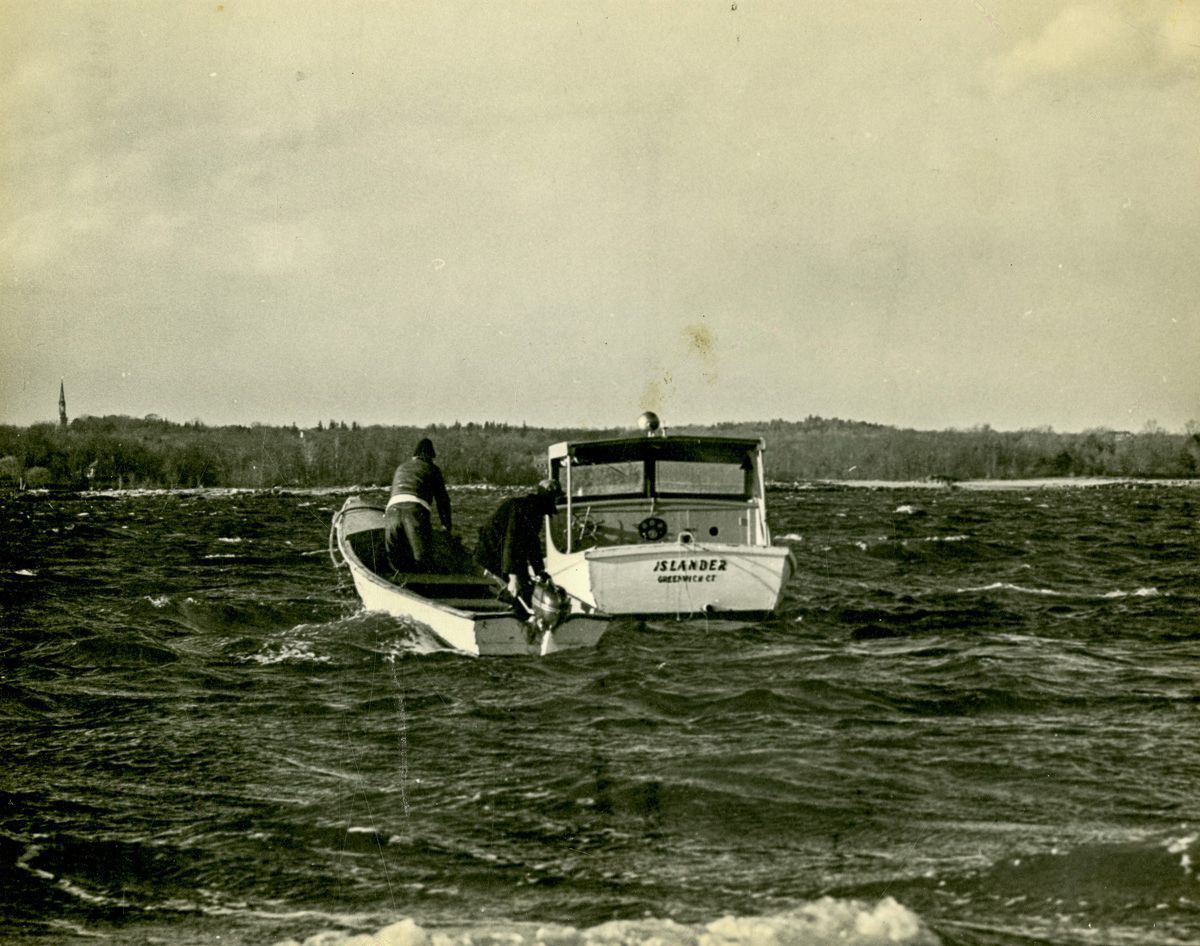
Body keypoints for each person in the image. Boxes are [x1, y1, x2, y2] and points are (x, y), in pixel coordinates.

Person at [474, 479, 563, 606]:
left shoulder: (535, 512)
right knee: (519, 593)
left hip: (507, 557)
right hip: (491, 556)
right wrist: (513, 578)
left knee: (527, 589)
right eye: (555, 499)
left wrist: (540, 571)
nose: (556, 503)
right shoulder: (521, 509)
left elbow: (533, 545)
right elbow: (510, 542)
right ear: (549, 499)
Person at [385, 437, 452, 571]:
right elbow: (443, 500)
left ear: (414, 455)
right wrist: (446, 526)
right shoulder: (432, 469)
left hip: (392, 510)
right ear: (431, 456)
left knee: (394, 558)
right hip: (415, 511)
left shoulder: (401, 467)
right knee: (423, 559)